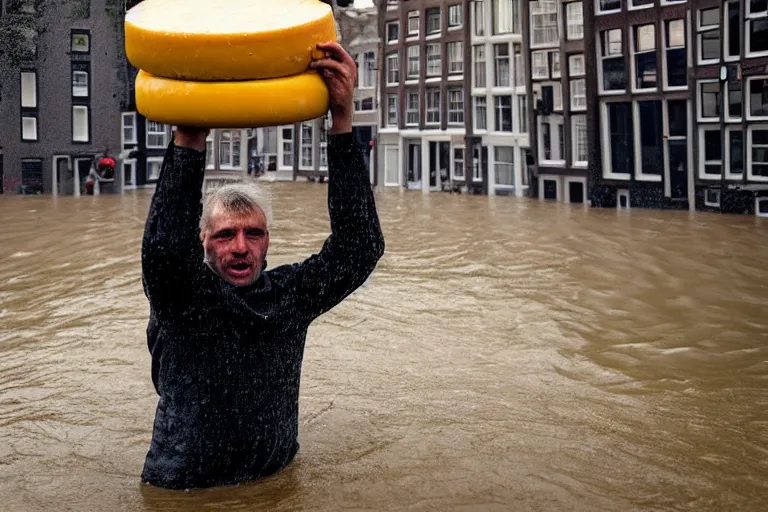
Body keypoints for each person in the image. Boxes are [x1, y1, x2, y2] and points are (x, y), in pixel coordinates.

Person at [139, 41, 385, 490]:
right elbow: (164, 252)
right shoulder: (183, 301)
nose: (239, 247)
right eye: (225, 235)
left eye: (253, 234)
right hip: (186, 491)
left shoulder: (286, 298)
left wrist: (343, 121)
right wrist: (190, 139)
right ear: (204, 244)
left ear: (268, 241)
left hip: (274, 484)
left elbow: (359, 249)